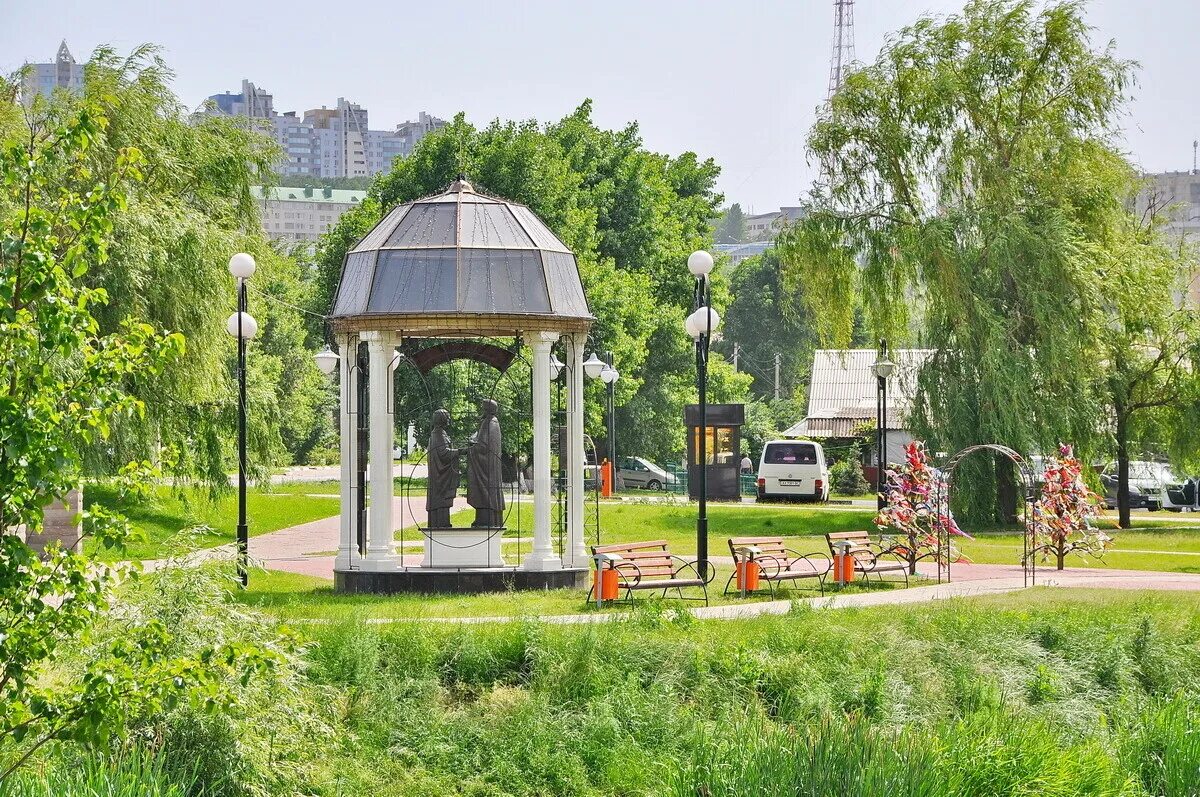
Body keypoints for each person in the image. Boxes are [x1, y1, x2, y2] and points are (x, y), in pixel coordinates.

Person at [467, 398, 505, 528]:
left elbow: (482, 447)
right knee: (488, 491)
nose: (481, 411)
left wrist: (471, 443)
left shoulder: (488, 423)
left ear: (487, 410)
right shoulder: (494, 423)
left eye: (482, 408)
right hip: (490, 465)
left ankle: (485, 520)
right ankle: (487, 519)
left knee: (484, 491)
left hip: (486, 467)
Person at [426, 409, 462, 528]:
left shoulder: (440, 433)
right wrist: (460, 451)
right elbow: (444, 454)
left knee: (442, 500)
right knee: (441, 499)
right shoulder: (438, 434)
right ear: (442, 419)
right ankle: (440, 524)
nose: (449, 419)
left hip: (441, 473)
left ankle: (442, 523)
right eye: (447, 417)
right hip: (440, 475)